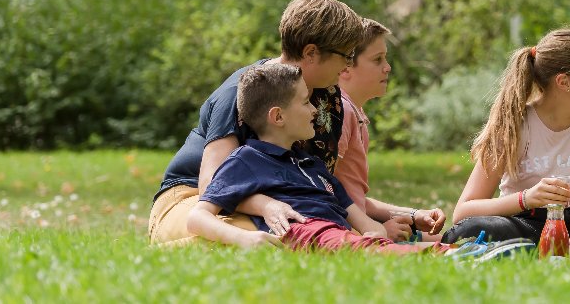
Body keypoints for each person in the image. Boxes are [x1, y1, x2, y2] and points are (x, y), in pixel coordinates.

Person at [149, 0, 364, 245]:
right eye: (346, 55)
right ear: (311, 53)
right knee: (277, 237)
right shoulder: (241, 92)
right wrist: (266, 205)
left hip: (272, 202)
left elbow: (318, 188)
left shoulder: (328, 101)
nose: (349, 66)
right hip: (193, 198)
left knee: (322, 233)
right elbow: (212, 186)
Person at [187, 63, 437, 255]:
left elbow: (366, 223)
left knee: (370, 248)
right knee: (354, 245)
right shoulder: (247, 160)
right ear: (278, 117)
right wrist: (245, 238)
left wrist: (376, 233)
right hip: (303, 233)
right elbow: (197, 217)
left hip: (337, 237)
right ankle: (446, 254)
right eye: (305, 102)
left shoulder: (313, 166)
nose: (315, 110)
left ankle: (451, 252)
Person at [442, 29, 570, 256]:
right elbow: (463, 212)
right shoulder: (513, 122)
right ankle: (518, 251)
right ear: (564, 82)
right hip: (522, 224)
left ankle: (516, 254)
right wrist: (527, 199)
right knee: (469, 230)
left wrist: (566, 252)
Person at [335, 18, 447, 241]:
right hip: (345, 232)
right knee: (451, 246)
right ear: (346, 66)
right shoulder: (342, 113)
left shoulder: (354, 114)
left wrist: (414, 215)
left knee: (448, 240)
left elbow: (355, 200)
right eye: (377, 60)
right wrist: (380, 231)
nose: (387, 67)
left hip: (356, 225)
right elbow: (325, 188)